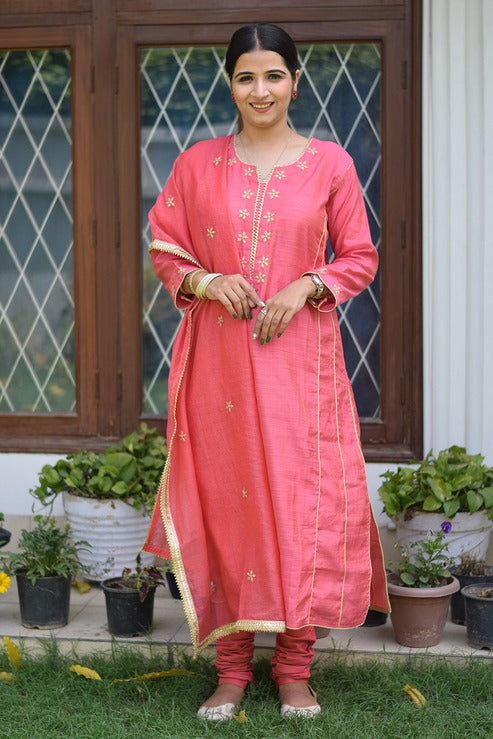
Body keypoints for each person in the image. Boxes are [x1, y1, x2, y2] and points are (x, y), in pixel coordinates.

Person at [143, 22, 389, 721]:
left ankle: (292, 670)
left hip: (298, 366)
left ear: (294, 82)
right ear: (230, 84)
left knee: (294, 504)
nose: (260, 90)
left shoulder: (330, 165)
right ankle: (229, 669)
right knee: (228, 499)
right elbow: (167, 249)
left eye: (273, 76)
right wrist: (207, 278)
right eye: (247, 76)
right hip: (219, 366)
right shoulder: (197, 165)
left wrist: (305, 284)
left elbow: (359, 256)